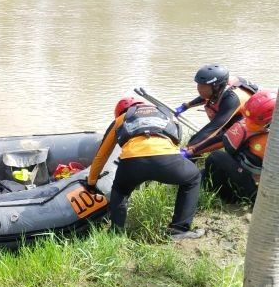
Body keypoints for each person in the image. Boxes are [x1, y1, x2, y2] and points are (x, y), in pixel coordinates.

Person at [85, 97, 204, 240]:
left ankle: (116, 232)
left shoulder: (121, 119)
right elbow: (176, 139)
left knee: (120, 191)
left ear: (120, 112)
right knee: (193, 177)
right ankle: (179, 229)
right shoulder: (165, 113)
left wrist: (91, 182)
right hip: (167, 159)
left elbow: (102, 155)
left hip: (132, 162)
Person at [196, 90, 275, 203]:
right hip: (248, 173)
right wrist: (193, 149)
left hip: (254, 189)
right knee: (202, 173)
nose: (248, 123)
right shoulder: (259, 129)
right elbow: (223, 138)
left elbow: (224, 140)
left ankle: (227, 198)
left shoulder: (269, 141)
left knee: (215, 157)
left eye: (254, 122)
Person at [176, 64, 258, 158]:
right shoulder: (219, 87)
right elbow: (208, 96)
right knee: (195, 140)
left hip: (246, 122)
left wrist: (189, 148)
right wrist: (186, 106)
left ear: (216, 87)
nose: (199, 89)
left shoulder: (232, 99)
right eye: (199, 85)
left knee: (209, 142)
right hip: (230, 115)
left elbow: (214, 127)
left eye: (203, 86)